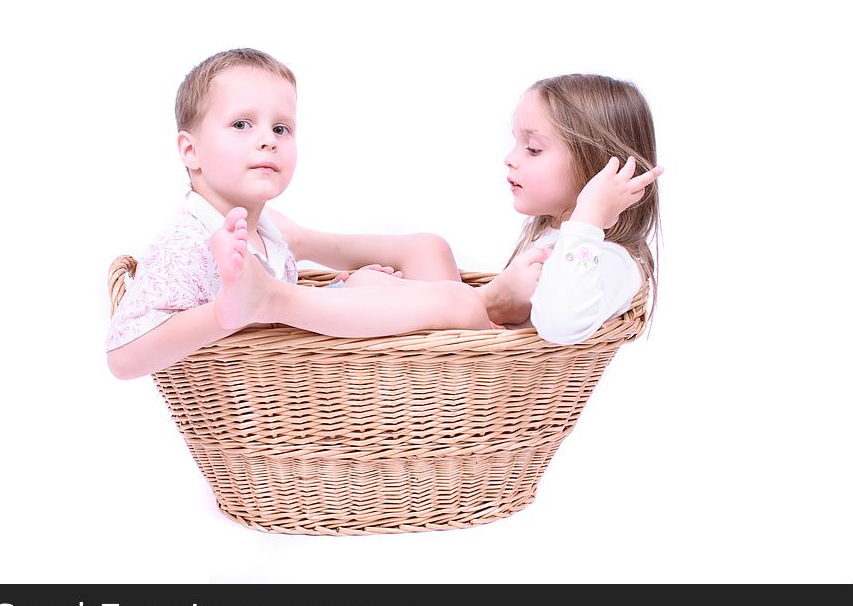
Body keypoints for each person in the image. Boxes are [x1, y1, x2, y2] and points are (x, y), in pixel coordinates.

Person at [106, 48, 489, 379]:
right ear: (191, 151)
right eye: (241, 124)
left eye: (281, 128)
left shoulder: (265, 231)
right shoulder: (188, 241)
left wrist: (347, 288)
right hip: (276, 405)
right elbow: (122, 357)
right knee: (462, 306)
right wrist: (223, 314)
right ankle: (498, 312)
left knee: (417, 269)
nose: (267, 140)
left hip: (306, 375)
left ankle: (491, 318)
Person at [476, 74, 663, 344]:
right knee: (429, 249)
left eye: (533, 148)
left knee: (431, 257)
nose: (509, 159)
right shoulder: (549, 236)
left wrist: (589, 218)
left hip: (509, 381)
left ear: (595, 165)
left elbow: (559, 326)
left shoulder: (610, 261)